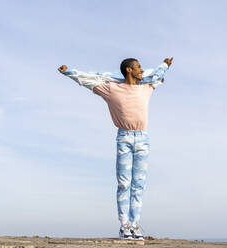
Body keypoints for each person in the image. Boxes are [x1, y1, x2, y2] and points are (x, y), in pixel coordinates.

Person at [57, 57, 173, 240]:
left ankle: (135, 225)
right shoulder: (112, 89)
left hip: (143, 139)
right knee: (124, 183)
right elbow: (88, 80)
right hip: (124, 138)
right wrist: (68, 72)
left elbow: (156, 73)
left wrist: (165, 65)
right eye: (138, 67)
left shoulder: (146, 87)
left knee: (139, 185)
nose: (142, 70)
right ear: (128, 70)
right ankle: (124, 226)